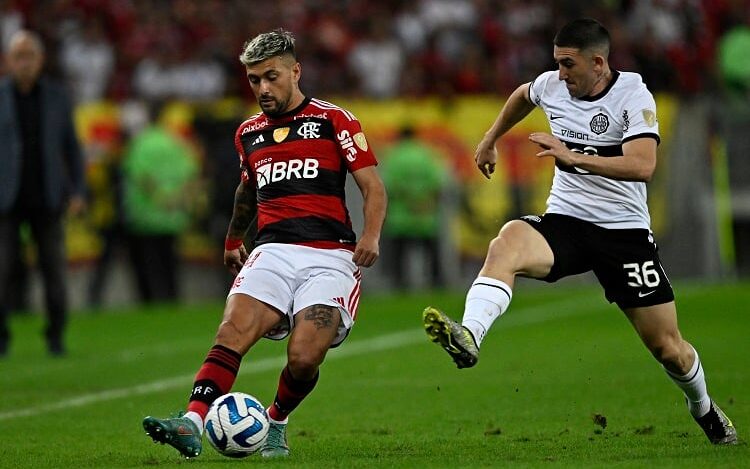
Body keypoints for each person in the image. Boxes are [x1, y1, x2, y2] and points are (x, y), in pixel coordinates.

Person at [422, 18, 737, 446]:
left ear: (598, 63)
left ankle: (703, 407)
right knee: (508, 241)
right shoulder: (552, 85)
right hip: (567, 222)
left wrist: (572, 156)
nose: (560, 74)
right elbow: (523, 94)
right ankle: (470, 335)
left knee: (669, 349)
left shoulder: (633, 93)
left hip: (622, 234)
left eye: (568, 65)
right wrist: (490, 138)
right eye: (557, 63)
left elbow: (642, 166)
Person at [142, 29, 387, 459]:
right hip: (270, 251)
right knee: (232, 330)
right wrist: (235, 238)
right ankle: (191, 421)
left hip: (329, 257)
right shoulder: (248, 133)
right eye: (254, 80)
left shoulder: (334, 120)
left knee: (305, 355)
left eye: (271, 77)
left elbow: (373, 187)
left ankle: (276, 419)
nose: (262, 88)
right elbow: (247, 190)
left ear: (296, 71)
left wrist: (370, 235)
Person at [0, 30, 86, 357]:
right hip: (6, 199)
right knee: (2, 271)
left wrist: (77, 190)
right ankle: (1, 338)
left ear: (40, 60)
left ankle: (55, 336)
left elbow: (72, 149)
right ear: (9, 60)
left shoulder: (56, 97)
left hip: (48, 197)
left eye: (30, 56)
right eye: (18, 56)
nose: (24, 63)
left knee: (54, 272)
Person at [121, 102, 199, 303]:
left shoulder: (140, 143)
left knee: (148, 265)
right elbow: (191, 174)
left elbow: (140, 176)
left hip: (145, 216)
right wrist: (177, 200)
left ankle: (150, 301)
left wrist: (158, 199)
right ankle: (171, 298)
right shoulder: (175, 142)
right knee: (170, 263)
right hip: (173, 215)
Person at [380, 125, 448, 289]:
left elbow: (390, 186)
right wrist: (424, 202)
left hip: (401, 217)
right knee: (431, 254)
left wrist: (410, 201)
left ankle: (401, 286)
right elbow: (437, 184)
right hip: (426, 215)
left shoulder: (394, 156)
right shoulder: (427, 155)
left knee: (399, 257)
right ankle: (437, 284)